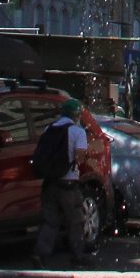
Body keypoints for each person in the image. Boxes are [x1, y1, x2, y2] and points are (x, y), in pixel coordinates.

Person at [33, 95, 93, 265]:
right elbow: (80, 158)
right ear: (76, 115)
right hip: (68, 184)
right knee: (76, 221)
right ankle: (77, 256)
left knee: (49, 221)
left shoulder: (48, 129)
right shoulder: (77, 131)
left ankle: (40, 254)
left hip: (49, 183)